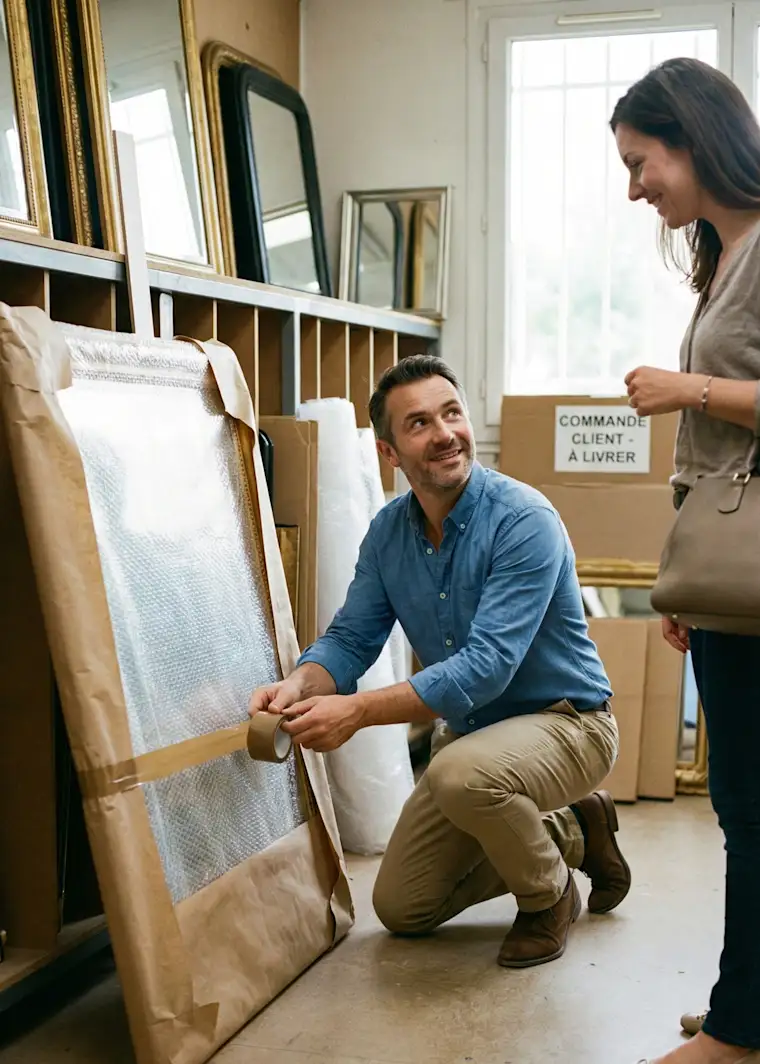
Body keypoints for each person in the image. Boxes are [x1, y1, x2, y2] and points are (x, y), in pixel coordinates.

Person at [249, 353, 631, 969]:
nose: (445, 432)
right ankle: (575, 832)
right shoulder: (387, 534)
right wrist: (297, 684)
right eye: (420, 423)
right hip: (478, 739)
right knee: (405, 908)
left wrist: (358, 712)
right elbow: (350, 639)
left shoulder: (522, 519)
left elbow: (486, 667)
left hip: (570, 723)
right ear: (390, 453)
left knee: (460, 776)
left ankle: (548, 895)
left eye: (452, 412)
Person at [611, 57, 760, 1064]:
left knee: (750, 807)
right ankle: (741, 1002)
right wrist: (680, 578)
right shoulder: (725, 253)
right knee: (744, 804)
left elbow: (713, 416)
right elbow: (708, 462)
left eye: (639, 161)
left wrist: (686, 386)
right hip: (727, 576)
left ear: (689, 136)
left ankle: (742, 1029)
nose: (634, 188)